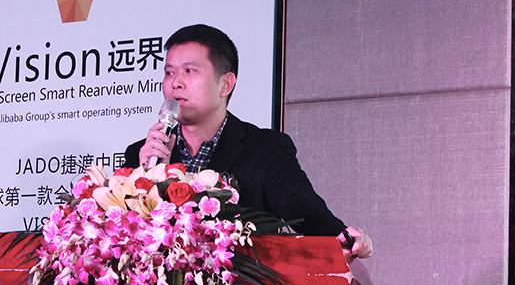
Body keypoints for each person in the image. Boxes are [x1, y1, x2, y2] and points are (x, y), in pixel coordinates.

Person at [124, 24, 373, 261]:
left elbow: (297, 203)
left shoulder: (265, 148)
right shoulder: (143, 154)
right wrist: (149, 177)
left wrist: (338, 236)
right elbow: (126, 236)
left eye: (189, 71)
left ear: (225, 84)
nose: (175, 83)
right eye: (169, 72)